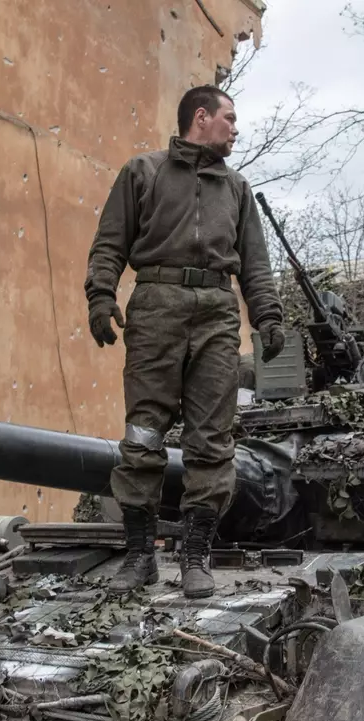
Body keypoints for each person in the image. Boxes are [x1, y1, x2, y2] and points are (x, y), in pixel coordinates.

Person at [84, 85, 285, 599]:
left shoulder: (236, 189)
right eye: (230, 119)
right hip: (155, 306)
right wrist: (101, 296)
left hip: (217, 313)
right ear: (202, 117)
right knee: (144, 434)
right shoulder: (143, 172)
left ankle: (196, 558)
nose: (236, 129)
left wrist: (267, 316)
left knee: (212, 439)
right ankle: (139, 558)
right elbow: (111, 240)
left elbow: (255, 265)